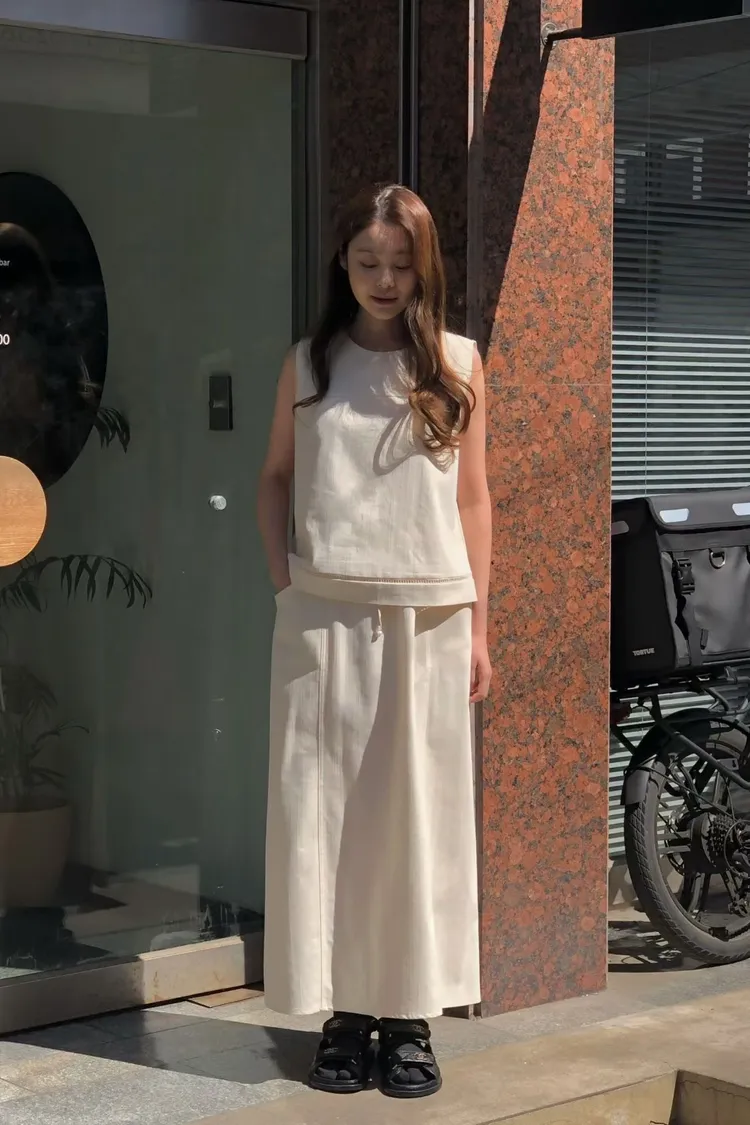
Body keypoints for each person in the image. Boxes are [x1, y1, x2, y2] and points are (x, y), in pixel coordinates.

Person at [257, 183, 492, 1099]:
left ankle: (410, 1019)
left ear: (425, 268)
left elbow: (473, 499)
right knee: (324, 821)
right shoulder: (308, 363)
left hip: (429, 620)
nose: (385, 279)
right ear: (343, 263)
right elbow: (275, 478)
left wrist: (480, 627)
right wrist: (287, 585)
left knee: (417, 824)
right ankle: (344, 1015)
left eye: (401, 264)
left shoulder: (460, 363)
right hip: (322, 614)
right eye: (368, 261)